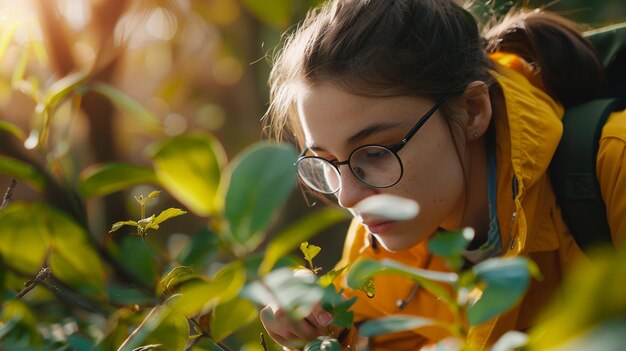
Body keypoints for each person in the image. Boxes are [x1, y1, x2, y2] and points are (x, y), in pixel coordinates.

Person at [260, 0, 626, 349]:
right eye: (326, 163)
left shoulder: (615, 168)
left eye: (375, 152)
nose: (348, 196)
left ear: (472, 111)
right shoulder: (378, 247)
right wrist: (323, 330)